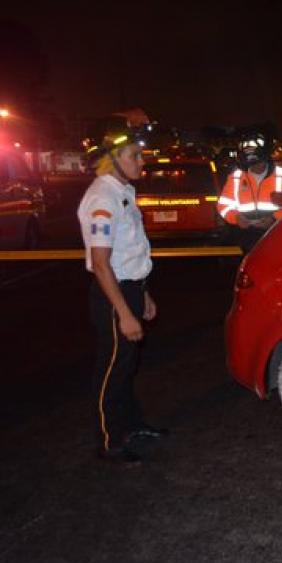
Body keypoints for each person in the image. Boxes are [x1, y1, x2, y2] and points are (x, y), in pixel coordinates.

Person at [78, 115, 167, 464]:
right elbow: (101, 264)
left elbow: (130, 253)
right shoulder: (102, 198)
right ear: (111, 158)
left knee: (127, 365)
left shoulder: (123, 191)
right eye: (134, 155)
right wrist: (125, 313)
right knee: (112, 367)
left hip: (129, 289)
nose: (141, 162)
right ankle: (109, 440)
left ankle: (131, 424)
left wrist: (142, 294)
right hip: (112, 296)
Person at [217, 130, 282, 251]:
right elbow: (223, 204)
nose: (254, 167)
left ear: (265, 157)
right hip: (245, 238)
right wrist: (236, 218)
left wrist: (273, 219)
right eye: (249, 162)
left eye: (257, 162)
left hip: (276, 235)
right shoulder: (236, 177)